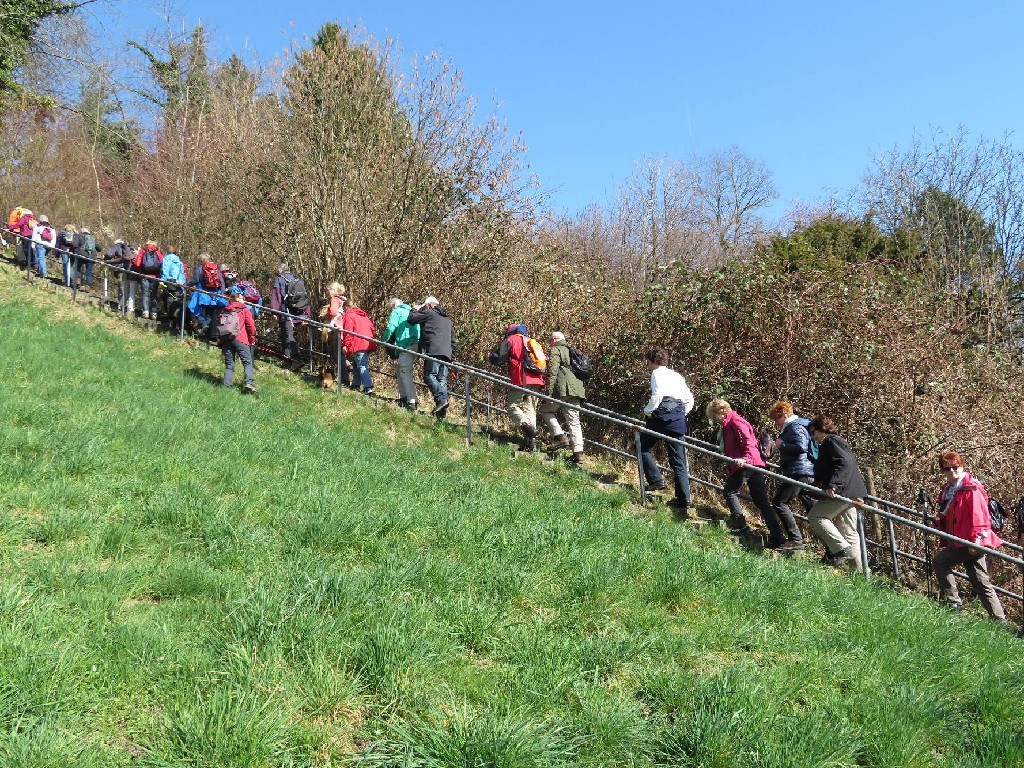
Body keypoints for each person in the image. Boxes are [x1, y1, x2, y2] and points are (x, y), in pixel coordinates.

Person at [931, 451, 1006, 622]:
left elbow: (979, 517)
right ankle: (999, 620)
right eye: (947, 468)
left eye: (955, 467)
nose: (952, 471)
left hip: (969, 541)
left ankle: (953, 604)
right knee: (980, 580)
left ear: (962, 466)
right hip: (961, 539)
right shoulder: (949, 489)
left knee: (940, 562)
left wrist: (976, 541)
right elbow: (949, 514)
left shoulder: (971, 489)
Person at [707, 398, 777, 543]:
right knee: (761, 501)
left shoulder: (735, 421)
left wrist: (745, 458)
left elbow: (748, 441)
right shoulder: (729, 423)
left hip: (746, 463)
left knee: (729, 491)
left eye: (714, 417)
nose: (715, 420)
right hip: (755, 463)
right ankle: (778, 536)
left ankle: (742, 527)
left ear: (720, 411)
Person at [637, 348, 694, 516]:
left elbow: (657, 395)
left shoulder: (656, 374)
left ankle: (656, 480)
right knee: (679, 461)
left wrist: (647, 411)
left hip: (661, 417)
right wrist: (681, 414)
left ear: (652, 361)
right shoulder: (677, 376)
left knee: (641, 445)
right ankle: (684, 500)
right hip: (677, 420)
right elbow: (689, 399)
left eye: (647, 360)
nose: (647, 364)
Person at [807, 416, 867, 571]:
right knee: (849, 532)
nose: (812, 436)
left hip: (842, 491)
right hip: (851, 491)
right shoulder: (836, 441)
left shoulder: (831, 442)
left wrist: (834, 485)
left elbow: (844, 464)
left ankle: (841, 550)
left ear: (822, 429)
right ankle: (859, 575)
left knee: (816, 516)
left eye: (813, 432)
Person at [489, 323, 548, 451]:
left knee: (512, 406)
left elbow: (500, 359)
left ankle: (527, 426)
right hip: (537, 380)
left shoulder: (511, 340)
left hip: (521, 378)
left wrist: (491, 356)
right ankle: (531, 443)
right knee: (530, 409)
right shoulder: (530, 342)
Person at [766, 400, 814, 551]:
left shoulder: (795, 426)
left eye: (776, 419)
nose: (775, 423)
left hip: (798, 471)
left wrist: (782, 445)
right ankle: (833, 547)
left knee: (780, 502)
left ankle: (795, 539)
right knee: (814, 511)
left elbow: (801, 447)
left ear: (785, 414)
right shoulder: (797, 425)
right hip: (804, 471)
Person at [539, 331, 586, 465]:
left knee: (545, 410)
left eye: (550, 341)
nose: (550, 344)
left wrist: (549, 393)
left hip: (563, 389)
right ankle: (578, 454)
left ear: (555, 340)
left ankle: (560, 436)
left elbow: (553, 372)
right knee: (574, 422)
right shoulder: (573, 350)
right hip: (576, 389)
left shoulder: (556, 350)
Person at [407, 296, 456, 419]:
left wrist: (414, 309)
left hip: (434, 351)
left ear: (429, 305)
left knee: (429, 376)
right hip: (447, 353)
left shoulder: (429, 313)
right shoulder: (448, 320)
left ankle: (441, 400)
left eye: (425, 306)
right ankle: (441, 413)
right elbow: (453, 341)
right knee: (441, 381)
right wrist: (452, 356)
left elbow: (411, 319)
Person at [380, 297, 422, 411]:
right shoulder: (411, 311)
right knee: (400, 369)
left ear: (393, 306)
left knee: (404, 370)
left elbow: (390, 327)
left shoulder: (397, 311)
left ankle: (412, 401)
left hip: (406, 344)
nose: (390, 312)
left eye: (389, 309)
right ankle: (403, 397)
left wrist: (383, 341)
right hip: (416, 344)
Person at [218, 286, 257, 394]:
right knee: (247, 362)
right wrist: (252, 339)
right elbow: (251, 326)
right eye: (242, 298)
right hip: (241, 338)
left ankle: (226, 387)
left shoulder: (224, 310)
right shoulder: (244, 310)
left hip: (226, 339)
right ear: (239, 300)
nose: (244, 300)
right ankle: (249, 383)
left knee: (229, 364)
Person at [270, 263, 308, 371]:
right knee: (285, 336)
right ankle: (287, 363)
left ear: (280, 270)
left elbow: (277, 296)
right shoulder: (297, 279)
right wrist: (306, 315)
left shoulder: (280, 279)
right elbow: (305, 297)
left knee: (287, 336)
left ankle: (296, 359)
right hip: (298, 312)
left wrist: (274, 312)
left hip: (286, 312)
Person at [339, 298, 377, 394]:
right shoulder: (364, 316)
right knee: (356, 364)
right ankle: (356, 384)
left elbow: (348, 332)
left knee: (361, 365)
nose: (343, 312)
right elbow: (372, 328)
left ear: (347, 307)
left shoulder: (349, 316)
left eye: (344, 309)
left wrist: (345, 345)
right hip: (368, 342)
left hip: (358, 343)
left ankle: (368, 387)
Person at [320, 282, 350, 388]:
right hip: (343, 328)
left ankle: (345, 379)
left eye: (328, 290)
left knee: (337, 354)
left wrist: (325, 316)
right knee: (337, 353)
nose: (327, 292)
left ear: (333, 290)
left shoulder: (334, 299)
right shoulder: (344, 299)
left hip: (336, 327)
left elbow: (333, 312)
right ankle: (347, 368)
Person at [187, 253, 225, 335]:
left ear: (200, 260)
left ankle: (203, 324)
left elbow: (195, 280)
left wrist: (185, 284)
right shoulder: (215, 268)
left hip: (202, 293)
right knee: (210, 314)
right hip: (214, 294)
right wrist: (222, 293)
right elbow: (221, 281)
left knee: (193, 308)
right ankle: (205, 326)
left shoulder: (200, 268)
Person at [133, 240, 164, 319]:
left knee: (145, 293)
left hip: (144, 276)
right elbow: (163, 265)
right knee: (153, 295)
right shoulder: (158, 253)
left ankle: (145, 312)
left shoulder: (143, 251)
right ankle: (154, 313)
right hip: (155, 277)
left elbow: (137, 263)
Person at [104, 240, 134, 313]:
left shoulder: (115, 247)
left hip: (118, 269)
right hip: (127, 270)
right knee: (124, 287)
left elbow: (109, 254)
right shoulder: (127, 249)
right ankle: (123, 305)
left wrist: (106, 260)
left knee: (121, 287)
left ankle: (121, 305)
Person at [160, 248, 188, 326]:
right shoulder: (179, 261)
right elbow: (182, 274)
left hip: (169, 282)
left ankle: (170, 321)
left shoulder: (165, 259)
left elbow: (164, 271)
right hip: (179, 284)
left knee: (169, 301)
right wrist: (183, 285)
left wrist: (163, 281)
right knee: (177, 302)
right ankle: (177, 323)